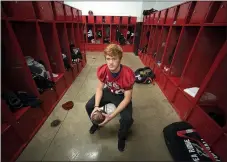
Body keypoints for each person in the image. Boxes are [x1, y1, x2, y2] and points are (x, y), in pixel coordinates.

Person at [85, 44, 135, 152]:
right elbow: (99, 88)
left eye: (114, 59)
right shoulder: (103, 70)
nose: (110, 62)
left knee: (127, 119)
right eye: (108, 59)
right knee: (89, 106)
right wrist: (96, 106)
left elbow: (127, 98)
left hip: (122, 96)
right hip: (109, 91)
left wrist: (111, 116)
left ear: (120, 59)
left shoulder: (127, 74)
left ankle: (121, 137)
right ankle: (96, 124)